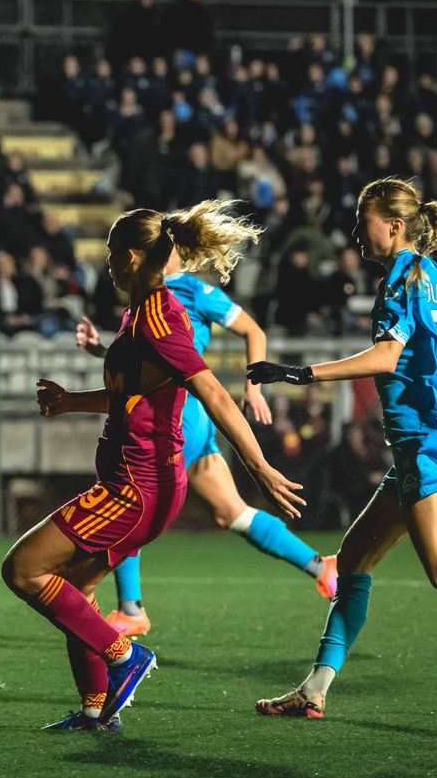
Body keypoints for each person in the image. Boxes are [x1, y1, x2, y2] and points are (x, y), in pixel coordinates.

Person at [0, 200, 304, 732]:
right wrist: (72, 400)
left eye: (115, 255)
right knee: (79, 589)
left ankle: (125, 657)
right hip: (139, 483)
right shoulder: (138, 314)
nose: (110, 265)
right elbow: (130, 393)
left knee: (23, 569)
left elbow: (211, 391)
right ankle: (97, 711)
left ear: (136, 256)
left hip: (135, 489)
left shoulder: (160, 315)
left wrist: (258, 466)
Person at [252, 178, 437, 720]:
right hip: (427, 443)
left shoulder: (401, 279)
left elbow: (385, 358)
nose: (356, 230)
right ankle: (314, 689)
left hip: (423, 445)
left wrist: (302, 373)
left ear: (394, 226)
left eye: (363, 220)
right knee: (352, 560)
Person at [75, 244, 338, 638]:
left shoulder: (191, 292)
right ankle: (322, 568)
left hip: (176, 415)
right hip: (188, 414)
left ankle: (130, 609)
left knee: (131, 502)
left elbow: (252, 329)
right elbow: (139, 366)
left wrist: (254, 387)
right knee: (231, 512)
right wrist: (100, 348)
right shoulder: (146, 299)